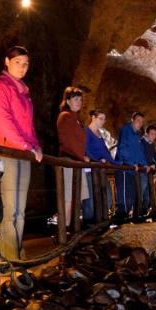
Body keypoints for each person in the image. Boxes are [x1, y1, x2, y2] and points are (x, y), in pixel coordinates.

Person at [0, 45, 41, 259]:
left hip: (23, 153)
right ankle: (9, 256)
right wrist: (26, 145)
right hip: (8, 150)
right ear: (7, 62)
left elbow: (29, 125)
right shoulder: (0, 87)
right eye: (18, 62)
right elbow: (1, 120)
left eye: (26, 63)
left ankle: (17, 251)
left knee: (20, 207)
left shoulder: (24, 92)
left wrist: (35, 145)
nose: (22, 67)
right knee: (11, 207)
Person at [55, 85, 93, 223]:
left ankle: (72, 229)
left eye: (80, 100)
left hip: (77, 162)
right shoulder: (65, 116)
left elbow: (80, 142)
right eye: (75, 99)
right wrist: (81, 156)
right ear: (68, 101)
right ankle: (64, 230)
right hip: (69, 160)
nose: (79, 102)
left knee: (76, 198)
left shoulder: (76, 119)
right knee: (68, 199)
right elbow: (68, 140)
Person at [85, 110, 116, 219]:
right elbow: (85, 149)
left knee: (107, 196)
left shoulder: (100, 135)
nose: (103, 121)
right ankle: (89, 222)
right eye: (100, 118)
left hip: (100, 170)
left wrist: (115, 162)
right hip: (89, 170)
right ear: (93, 117)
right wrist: (96, 159)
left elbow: (105, 152)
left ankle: (101, 220)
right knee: (91, 198)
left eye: (104, 119)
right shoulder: (86, 132)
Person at [115, 111, 147, 217]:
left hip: (132, 169)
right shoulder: (126, 131)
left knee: (130, 194)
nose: (140, 123)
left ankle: (126, 216)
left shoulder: (137, 136)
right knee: (124, 193)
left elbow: (140, 152)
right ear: (132, 120)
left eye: (142, 122)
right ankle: (121, 215)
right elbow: (123, 148)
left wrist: (144, 164)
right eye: (138, 121)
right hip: (124, 166)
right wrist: (130, 163)